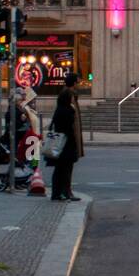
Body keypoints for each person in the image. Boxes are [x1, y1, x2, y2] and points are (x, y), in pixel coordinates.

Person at [49, 72, 84, 201]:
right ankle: (63, 192)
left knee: (61, 168)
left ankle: (59, 192)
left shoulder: (63, 106)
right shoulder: (66, 109)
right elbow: (69, 126)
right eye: (78, 82)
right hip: (65, 142)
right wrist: (73, 139)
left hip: (64, 141)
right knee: (64, 168)